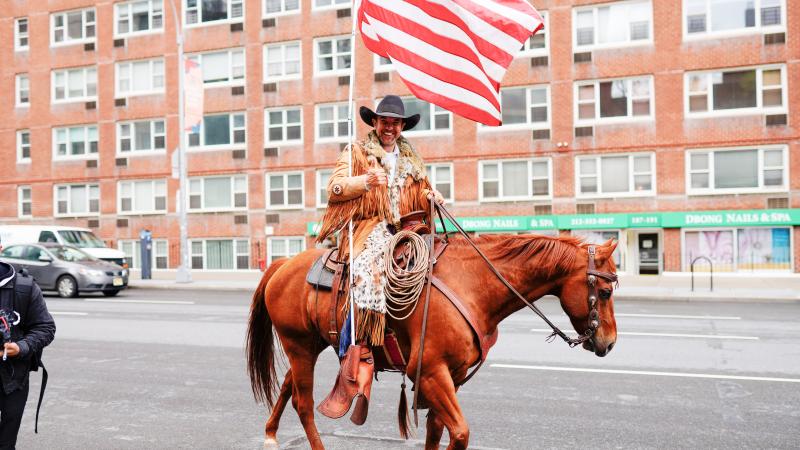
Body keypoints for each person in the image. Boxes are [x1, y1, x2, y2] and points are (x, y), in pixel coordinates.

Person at [316, 95, 443, 422]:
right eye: (384, 121)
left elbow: (422, 191)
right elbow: (334, 188)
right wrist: (365, 181)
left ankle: (423, 343)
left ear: (402, 126)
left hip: (406, 229)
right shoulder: (357, 152)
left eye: (395, 123)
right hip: (367, 227)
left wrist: (433, 196)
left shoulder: (411, 158)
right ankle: (361, 351)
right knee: (371, 272)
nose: (390, 127)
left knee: (435, 266)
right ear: (374, 122)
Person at [0, 238, 56, 449]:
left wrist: (21, 347)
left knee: (6, 444)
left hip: (13, 377)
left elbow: (45, 327)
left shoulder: (24, 287)